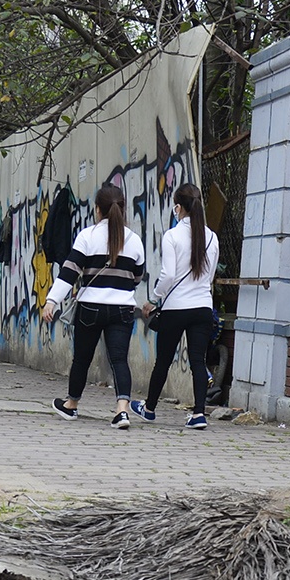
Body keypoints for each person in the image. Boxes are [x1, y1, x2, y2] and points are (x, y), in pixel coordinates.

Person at [40, 183, 146, 428]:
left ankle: (71, 405)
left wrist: (52, 301)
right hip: (122, 309)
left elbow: (69, 272)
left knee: (82, 359)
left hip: (90, 308)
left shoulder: (87, 236)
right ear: (122, 208)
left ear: (97, 209)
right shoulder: (134, 240)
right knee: (119, 359)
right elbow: (137, 276)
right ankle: (122, 411)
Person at [133, 181, 218, 430]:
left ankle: (149, 409)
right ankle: (199, 414)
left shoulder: (172, 236)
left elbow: (168, 275)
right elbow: (210, 276)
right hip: (202, 307)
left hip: (176, 309)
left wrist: (153, 299)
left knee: (164, 361)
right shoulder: (212, 237)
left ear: (178, 207)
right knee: (197, 361)